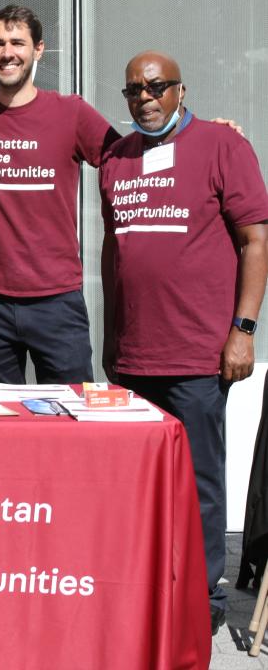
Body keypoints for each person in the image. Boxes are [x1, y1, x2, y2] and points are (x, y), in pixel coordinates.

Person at [99, 50, 268, 636]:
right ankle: (145, 592)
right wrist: (110, 337)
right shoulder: (116, 157)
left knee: (198, 485)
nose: (144, 98)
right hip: (132, 355)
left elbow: (255, 241)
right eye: (132, 91)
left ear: (180, 89)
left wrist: (243, 333)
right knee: (139, 486)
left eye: (156, 86)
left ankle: (200, 603)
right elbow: (114, 246)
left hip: (197, 354)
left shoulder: (224, 146)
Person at [0, 5, 118, 384]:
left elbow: (128, 156)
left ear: (39, 49)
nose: (7, 53)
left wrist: (203, 135)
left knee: (71, 418)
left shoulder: (71, 113)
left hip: (56, 299)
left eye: (18, 42)